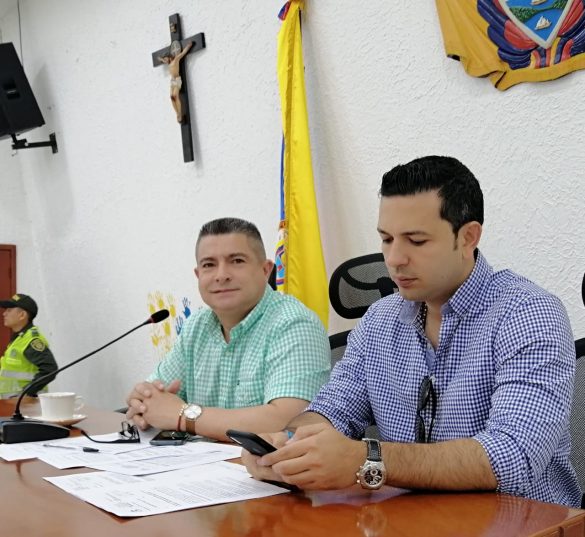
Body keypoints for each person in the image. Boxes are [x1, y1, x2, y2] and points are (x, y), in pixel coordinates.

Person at [243, 156, 582, 507]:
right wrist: (287, 445)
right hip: (405, 519)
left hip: (521, 522)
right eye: (386, 239)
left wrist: (369, 459)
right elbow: (333, 410)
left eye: (416, 241)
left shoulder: (528, 313)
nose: (394, 259)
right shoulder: (380, 319)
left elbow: (513, 456)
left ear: (468, 237)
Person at [126, 217, 330, 440]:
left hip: (261, 463)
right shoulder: (197, 326)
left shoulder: (294, 324)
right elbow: (155, 398)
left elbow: (287, 422)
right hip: (200, 459)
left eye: (237, 261)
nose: (221, 275)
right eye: (209, 265)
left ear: (266, 270)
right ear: (198, 275)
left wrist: (183, 415)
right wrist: (144, 404)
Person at [0, 293, 58, 398]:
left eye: (9, 310)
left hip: (26, 404)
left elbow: (50, 369)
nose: (4, 314)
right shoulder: (19, 338)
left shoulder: (31, 340)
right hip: (14, 403)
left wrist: (27, 392)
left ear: (22, 315)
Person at [158, 40, 193, 123]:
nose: (165, 60)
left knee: (175, 96)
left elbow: (183, 53)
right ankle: (177, 114)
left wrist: (189, 46)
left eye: (166, 58)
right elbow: (162, 60)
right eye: (165, 60)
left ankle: (179, 113)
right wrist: (160, 59)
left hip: (177, 80)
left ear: (169, 56)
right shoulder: (169, 63)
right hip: (172, 81)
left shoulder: (176, 59)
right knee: (171, 97)